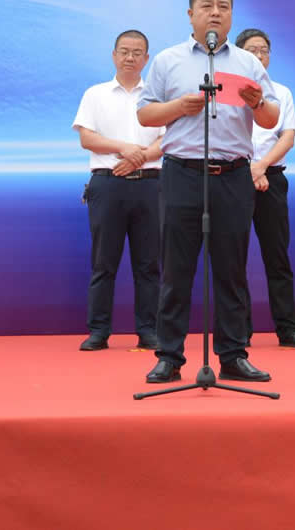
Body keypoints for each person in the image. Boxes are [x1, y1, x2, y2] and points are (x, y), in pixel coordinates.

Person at [137, 0, 279, 383]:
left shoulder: (248, 63)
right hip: (182, 173)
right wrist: (178, 107)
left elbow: (271, 119)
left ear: (231, 14)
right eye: (207, 6)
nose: (215, 13)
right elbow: (145, 114)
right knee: (176, 269)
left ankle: (233, 355)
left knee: (231, 270)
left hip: (232, 175)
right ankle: (169, 356)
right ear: (190, 14)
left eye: (223, 7)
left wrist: (257, 102)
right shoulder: (168, 60)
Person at [72, 30, 164, 351]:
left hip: (150, 184)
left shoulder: (158, 97)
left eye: (137, 52)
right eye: (124, 51)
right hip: (107, 184)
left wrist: (141, 157)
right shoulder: (95, 94)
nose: (130, 57)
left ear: (146, 59)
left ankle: (149, 330)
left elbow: (168, 138)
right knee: (104, 262)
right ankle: (99, 330)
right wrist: (125, 149)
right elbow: (87, 138)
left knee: (149, 264)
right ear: (114, 55)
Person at [234, 28, 295, 348]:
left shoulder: (281, 92)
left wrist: (261, 166)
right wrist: (249, 169)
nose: (259, 56)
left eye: (264, 50)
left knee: (277, 255)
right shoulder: (225, 93)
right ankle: (238, 331)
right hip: (233, 178)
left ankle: (287, 328)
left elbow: (287, 137)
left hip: (272, 179)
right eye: (252, 50)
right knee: (233, 258)